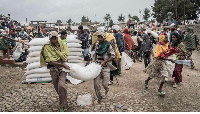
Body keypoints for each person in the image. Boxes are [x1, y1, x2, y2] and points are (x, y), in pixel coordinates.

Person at [40, 31, 70, 112]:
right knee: (57, 87)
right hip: (53, 69)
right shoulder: (47, 47)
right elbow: (49, 61)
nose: (54, 40)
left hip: (62, 69)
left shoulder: (62, 44)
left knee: (61, 85)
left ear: (57, 38)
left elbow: (66, 54)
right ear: (50, 39)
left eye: (55, 38)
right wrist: (61, 65)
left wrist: (64, 62)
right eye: (52, 39)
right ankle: (64, 101)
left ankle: (62, 105)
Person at [92, 30, 116, 103]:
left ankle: (107, 89)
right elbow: (95, 53)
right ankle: (99, 96)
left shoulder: (108, 45)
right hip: (97, 66)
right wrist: (93, 59)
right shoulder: (96, 44)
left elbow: (113, 56)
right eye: (98, 37)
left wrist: (105, 61)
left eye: (101, 37)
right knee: (96, 83)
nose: (99, 38)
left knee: (105, 84)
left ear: (104, 37)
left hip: (105, 67)